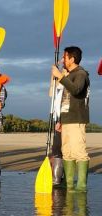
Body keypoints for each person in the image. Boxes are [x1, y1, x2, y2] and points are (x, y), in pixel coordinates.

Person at [51, 46, 90, 192]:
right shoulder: (70, 74)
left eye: (64, 57)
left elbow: (76, 90)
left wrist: (60, 77)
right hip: (67, 119)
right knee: (66, 152)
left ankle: (81, 186)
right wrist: (60, 120)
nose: (62, 60)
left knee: (79, 152)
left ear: (72, 59)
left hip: (77, 118)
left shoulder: (81, 74)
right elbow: (65, 100)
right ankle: (69, 184)